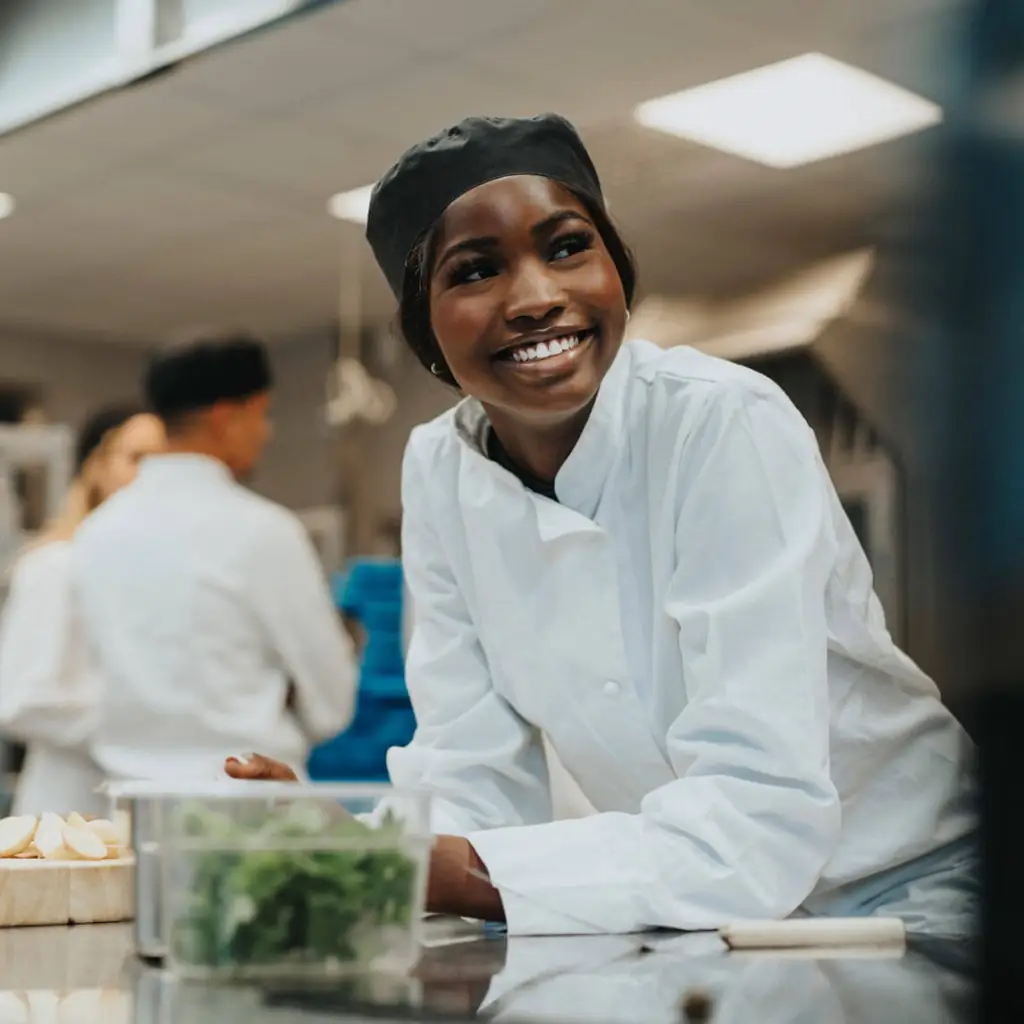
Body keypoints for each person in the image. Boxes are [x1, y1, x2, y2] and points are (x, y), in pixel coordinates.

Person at [229, 115, 976, 937]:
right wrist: (359, 847)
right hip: (715, 916)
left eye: (566, 247)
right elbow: (470, 771)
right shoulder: (438, 470)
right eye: (474, 270)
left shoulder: (720, 422)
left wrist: (405, 869)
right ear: (425, 333)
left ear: (618, 270)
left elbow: (756, 819)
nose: (538, 297)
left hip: (915, 895)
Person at [75, 333, 356, 782]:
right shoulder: (264, 531)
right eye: (262, 414)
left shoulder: (95, 533)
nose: (266, 432)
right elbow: (333, 699)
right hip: (247, 799)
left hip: (133, 801)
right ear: (227, 416)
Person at [0, 404, 166, 814]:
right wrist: (151, 721)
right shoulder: (56, 566)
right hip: (70, 806)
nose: (154, 475)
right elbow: (20, 701)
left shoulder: (165, 573)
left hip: (144, 804)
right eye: (137, 458)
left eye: (166, 461)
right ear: (98, 466)